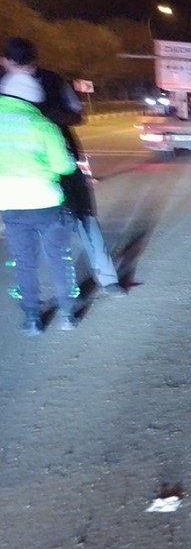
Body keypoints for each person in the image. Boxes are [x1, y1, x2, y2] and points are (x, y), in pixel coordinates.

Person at [1, 37, 126, 298]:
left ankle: (106, 278)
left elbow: (77, 114)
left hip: (61, 162)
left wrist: (48, 118)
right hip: (21, 173)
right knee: (29, 235)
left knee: (83, 216)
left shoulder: (54, 81)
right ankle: (41, 297)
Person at [0, 70, 79, 334]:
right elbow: (64, 166)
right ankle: (68, 313)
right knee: (57, 257)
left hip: (10, 203)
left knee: (24, 262)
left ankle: (32, 318)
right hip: (45, 202)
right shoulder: (43, 125)